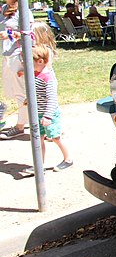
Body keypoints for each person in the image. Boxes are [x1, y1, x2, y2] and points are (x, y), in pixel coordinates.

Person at [23, 23, 73, 175]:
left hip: (49, 114)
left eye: (30, 63)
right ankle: (39, 165)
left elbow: (51, 99)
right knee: (38, 139)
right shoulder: (36, 75)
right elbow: (34, 90)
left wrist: (48, 115)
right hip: (38, 113)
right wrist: (28, 98)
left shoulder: (48, 78)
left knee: (56, 138)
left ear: (40, 62)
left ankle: (68, 159)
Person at [0, 0, 34, 140]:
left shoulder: (23, 10)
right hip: (6, 57)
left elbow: (30, 34)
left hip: (18, 56)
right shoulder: (2, 10)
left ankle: (20, 126)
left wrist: (9, 35)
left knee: (22, 93)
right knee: (13, 92)